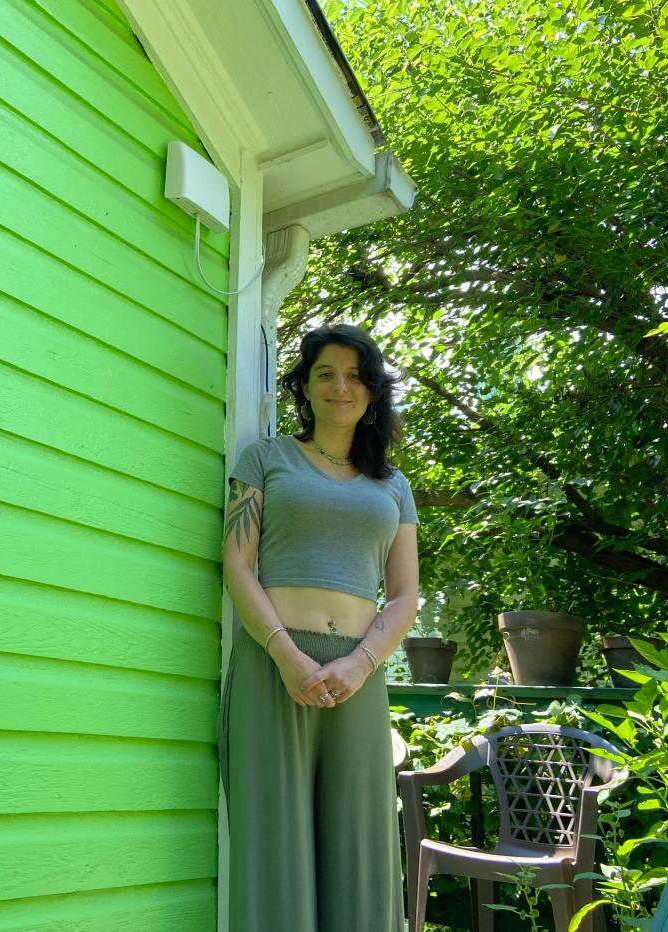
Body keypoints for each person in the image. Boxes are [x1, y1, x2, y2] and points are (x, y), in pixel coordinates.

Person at [221, 323, 419, 931]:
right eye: (325, 373)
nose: (340, 386)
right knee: (274, 845)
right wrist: (286, 654)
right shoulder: (265, 459)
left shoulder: (393, 486)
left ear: (373, 391)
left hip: (357, 678)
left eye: (355, 375)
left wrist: (361, 663)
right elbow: (235, 563)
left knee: (361, 847)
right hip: (273, 666)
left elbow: (407, 592)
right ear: (303, 387)